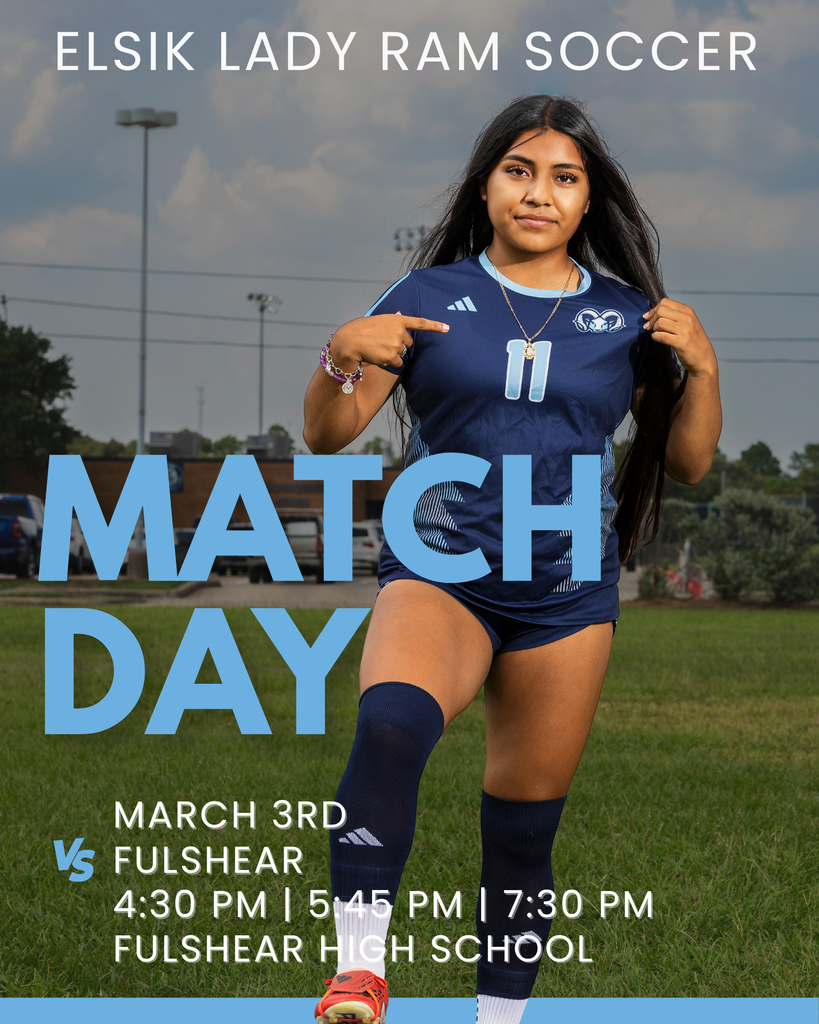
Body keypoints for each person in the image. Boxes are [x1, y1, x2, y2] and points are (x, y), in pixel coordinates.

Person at [303, 95, 721, 1024]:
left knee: (522, 834)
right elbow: (328, 434)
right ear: (486, 184)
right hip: (439, 567)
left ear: (587, 200)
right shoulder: (422, 297)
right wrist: (340, 355)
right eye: (518, 171)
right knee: (391, 726)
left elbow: (689, 462)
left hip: (566, 594)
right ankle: (359, 972)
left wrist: (706, 368)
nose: (539, 193)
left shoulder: (628, 318)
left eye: (563, 178)